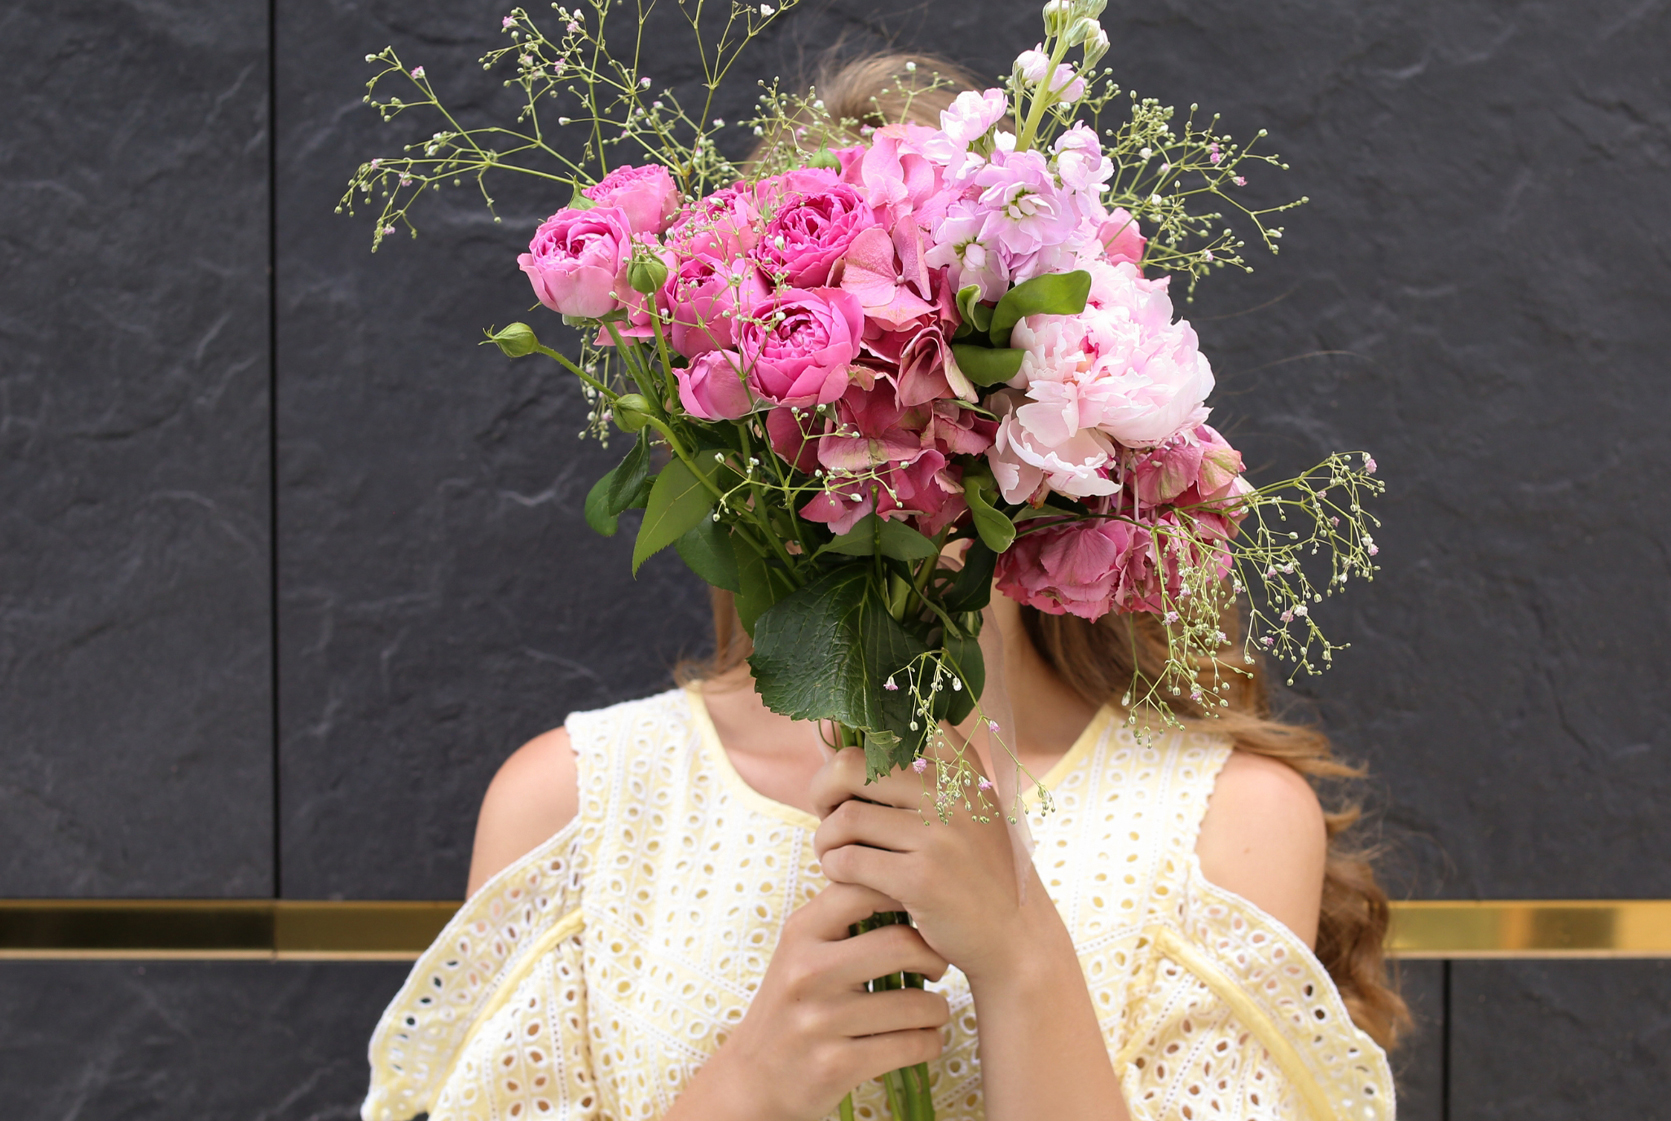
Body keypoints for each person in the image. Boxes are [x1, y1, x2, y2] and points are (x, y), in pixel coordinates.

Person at [362, 55, 1403, 1121]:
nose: (888, 443)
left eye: (929, 367)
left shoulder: (1217, 822)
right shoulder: (581, 807)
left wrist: (1019, 956)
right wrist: (747, 1086)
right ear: (739, 419)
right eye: (840, 386)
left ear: (1042, 396)